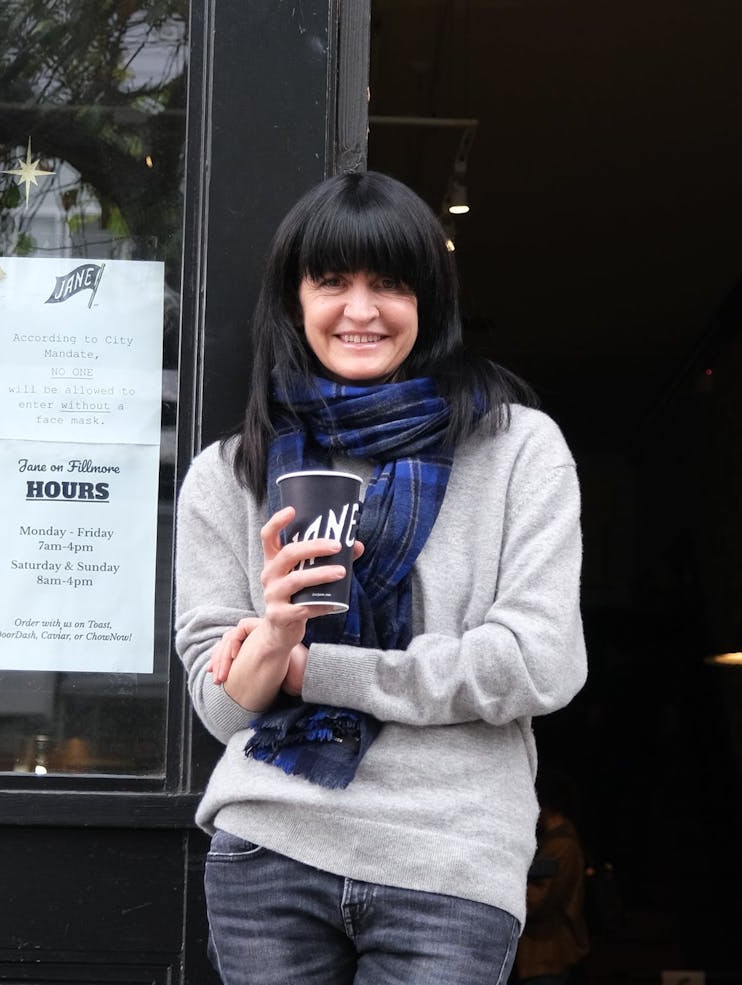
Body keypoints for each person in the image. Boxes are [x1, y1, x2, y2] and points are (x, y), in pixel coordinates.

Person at [174, 170, 588, 985]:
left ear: (430, 301)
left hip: (450, 856)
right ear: (294, 299)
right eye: (332, 282)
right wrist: (276, 632)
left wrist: (314, 668)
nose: (360, 311)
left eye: (390, 285)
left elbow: (538, 661)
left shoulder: (516, 449)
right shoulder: (230, 475)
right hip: (271, 843)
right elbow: (221, 706)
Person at [512, 775, 591, 985]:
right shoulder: (553, 842)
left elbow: (539, 901)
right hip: (541, 955)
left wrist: (510, 883)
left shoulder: (562, 846)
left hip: (547, 954)